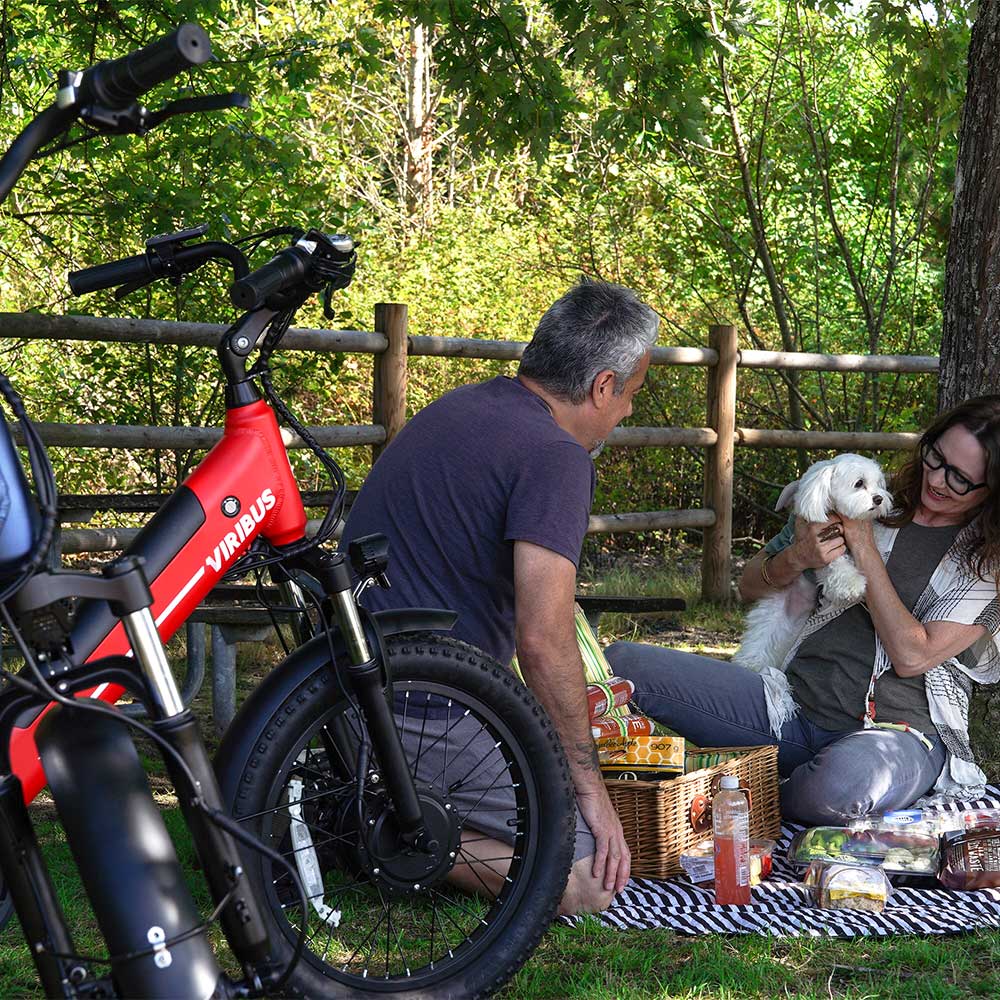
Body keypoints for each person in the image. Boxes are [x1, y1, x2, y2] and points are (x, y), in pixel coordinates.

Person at [341, 277, 659, 913]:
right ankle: (383, 831)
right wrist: (590, 793)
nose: (627, 412)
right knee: (591, 882)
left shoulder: (464, 405)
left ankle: (366, 804)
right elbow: (542, 641)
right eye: (631, 395)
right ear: (602, 386)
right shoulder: (556, 455)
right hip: (422, 715)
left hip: (344, 697)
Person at [606, 397, 1000, 825]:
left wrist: (863, 547)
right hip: (788, 708)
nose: (938, 480)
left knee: (838, 787)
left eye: (960, 478)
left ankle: (742, 795)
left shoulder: (984, 563)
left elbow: (912, 655)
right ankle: (756, 784)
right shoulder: (861, 493)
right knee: (625, 664)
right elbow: (750, 585)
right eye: (936, 458)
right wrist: (797, 557)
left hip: (893, 737)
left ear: (991, 491)